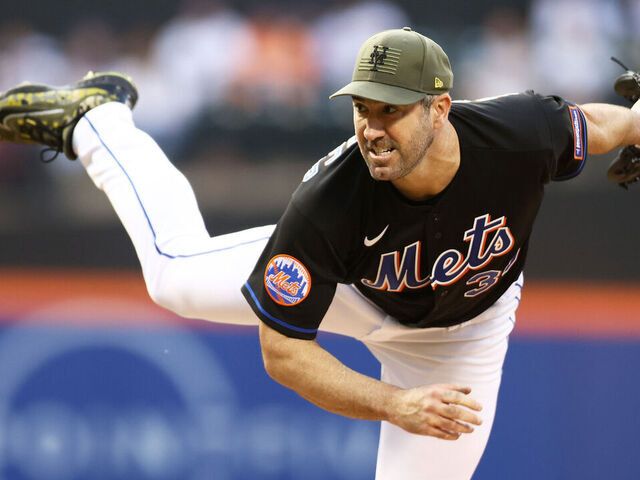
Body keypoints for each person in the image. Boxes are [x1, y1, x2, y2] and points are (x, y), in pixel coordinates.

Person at [1, 27, 638, 480]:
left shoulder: (520, 133)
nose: (370, 127)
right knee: (171, 277)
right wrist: (396, 405)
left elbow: (604, 126)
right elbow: (283, 353)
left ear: (440, 108)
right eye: (361, 107)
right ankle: (97, 120)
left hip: (461, 335)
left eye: (389, 110)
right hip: (352, 294)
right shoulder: (332, 198)